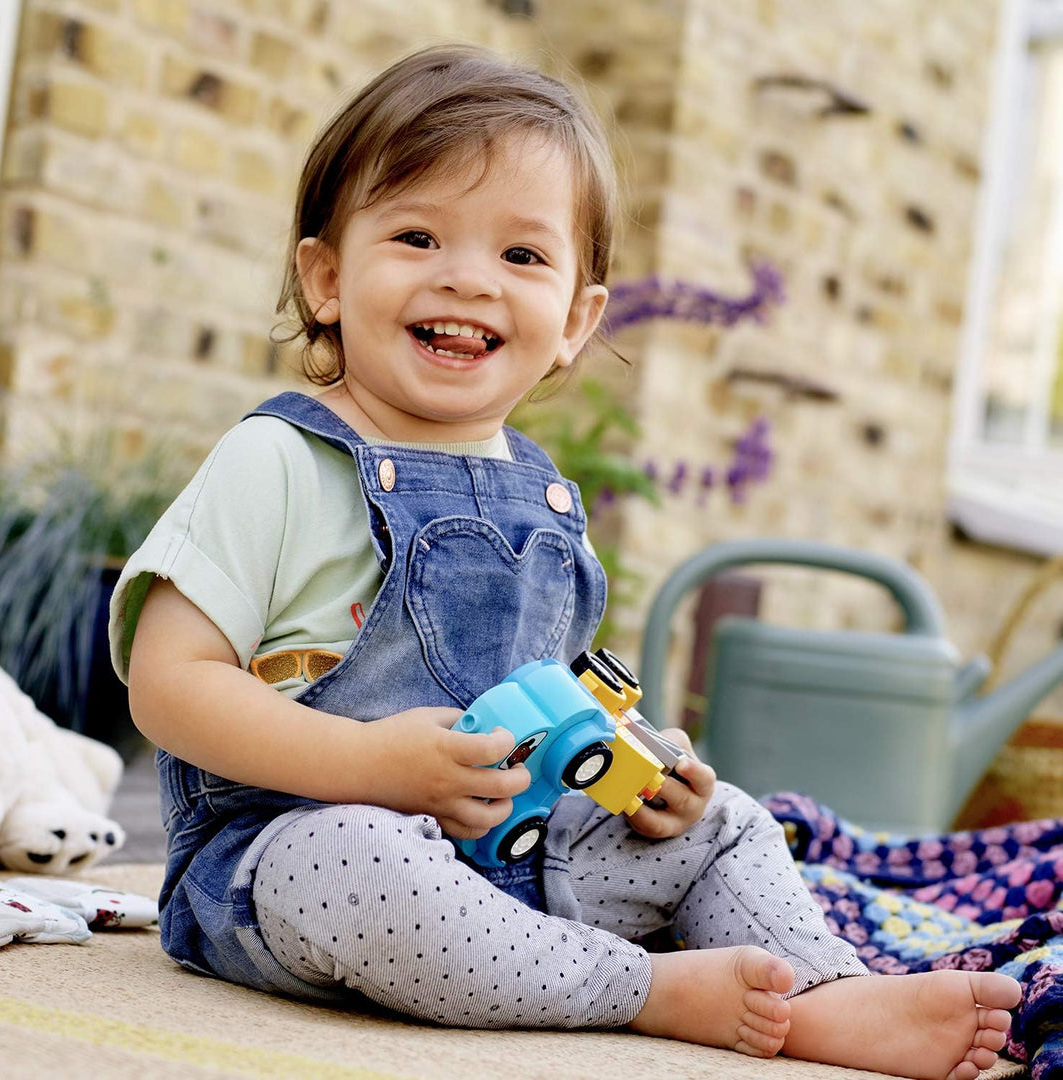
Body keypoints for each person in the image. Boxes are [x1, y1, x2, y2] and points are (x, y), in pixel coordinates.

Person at [111, 43, 1021, 1079]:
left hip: (515, 859)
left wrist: (642, 770)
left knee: (730, 823)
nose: (467, 278)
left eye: (521, 255)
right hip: (288, 859)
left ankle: (816, 995)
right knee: (352, 862)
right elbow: (166, 686)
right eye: (416, 237)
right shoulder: (277, 460)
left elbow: (558, 696)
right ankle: (643, 992)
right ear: (326, 278)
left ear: (576, 324)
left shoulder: (543, 501)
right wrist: (371, 769)